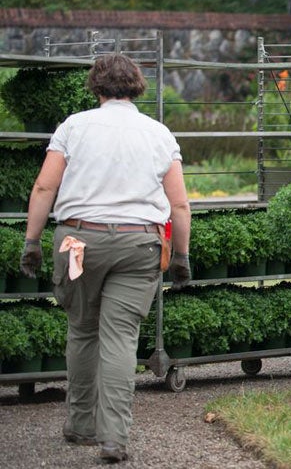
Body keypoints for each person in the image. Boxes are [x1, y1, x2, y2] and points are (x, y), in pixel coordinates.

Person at [19, 53, 192, 464]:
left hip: (78, 242)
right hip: (138, 246)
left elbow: (44, 189)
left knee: (82, 331)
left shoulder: (73, 127)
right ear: (136, 87)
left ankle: (81, 425)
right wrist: (182, 254)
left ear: (95, 87)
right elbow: (180, 205)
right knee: (120, 339)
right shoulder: (158, 133)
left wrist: (31, 241)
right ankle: (114, 437)